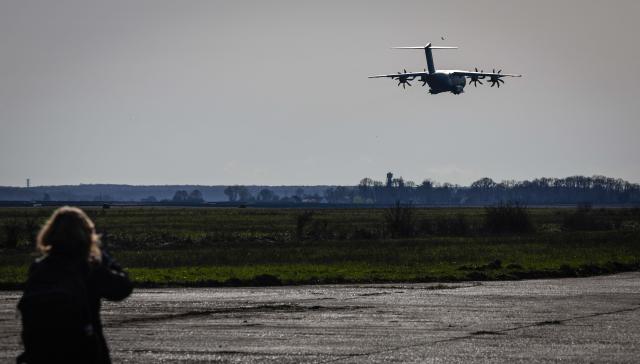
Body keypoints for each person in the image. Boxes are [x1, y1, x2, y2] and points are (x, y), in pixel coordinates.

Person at [17, 206, 133, 364]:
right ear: (86, 235)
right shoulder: (87, 266)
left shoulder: (39, 267)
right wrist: (104, 257)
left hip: (42, 353)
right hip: (83, 351)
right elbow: (122, 289)